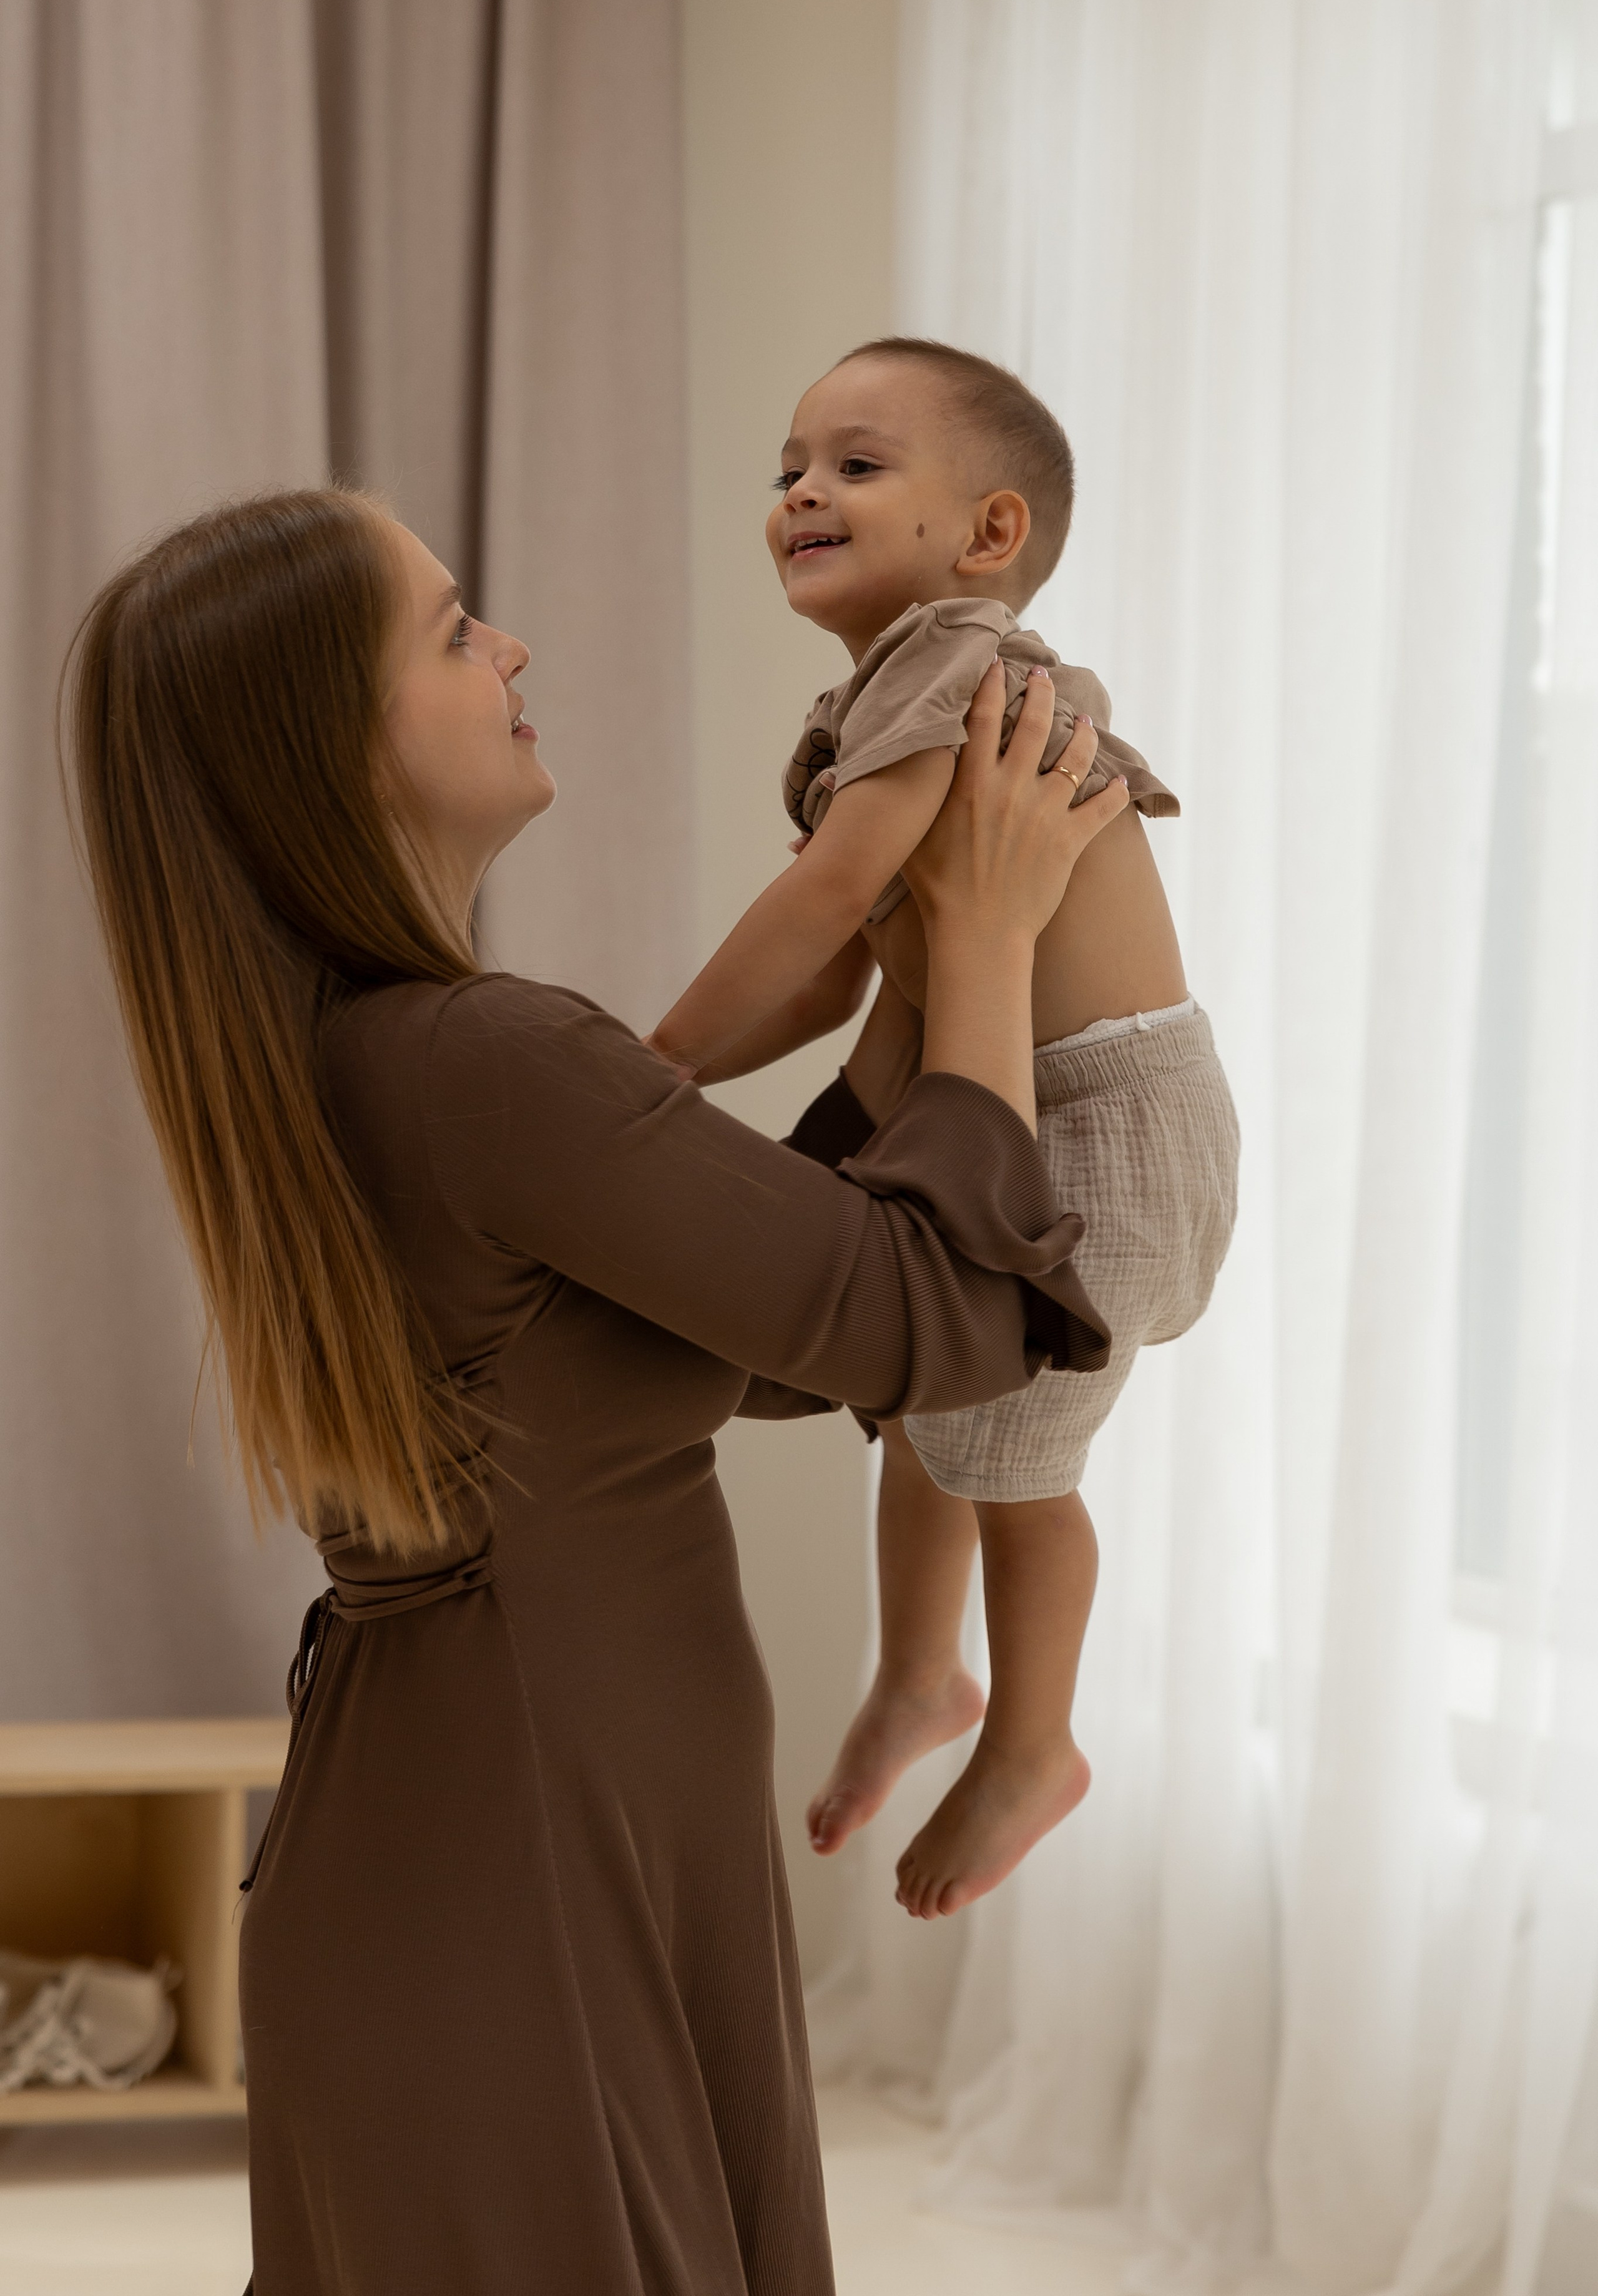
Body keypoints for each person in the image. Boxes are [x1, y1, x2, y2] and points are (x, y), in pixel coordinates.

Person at [62, 484, 1128, 2295]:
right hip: (537, 1846)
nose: (514, 648)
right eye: (456, 624)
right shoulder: (478, 1055)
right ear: (335, 739)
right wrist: (990, 941)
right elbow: (925, 1324)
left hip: (469, 1827)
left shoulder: (345, 1058)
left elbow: (762, 1320)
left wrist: (908, 980)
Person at [651, 338, 1240, 1921]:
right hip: (1006, 1103)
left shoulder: (960, 659)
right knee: (921, 1398)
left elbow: (825, 902)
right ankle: (922, 1674)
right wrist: (682, 1082)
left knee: (1017, 1458)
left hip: (1102, 1121)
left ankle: (1034, 1738)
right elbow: (840, 975)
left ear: (986, 534)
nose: (798, 493)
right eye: (786, 468)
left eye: (852, 464)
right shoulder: (880, 697)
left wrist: (648, 1063)